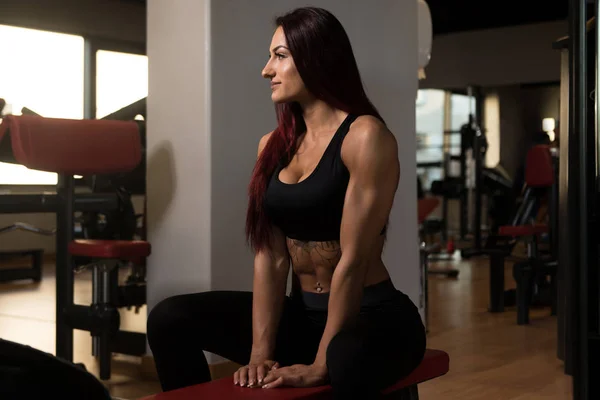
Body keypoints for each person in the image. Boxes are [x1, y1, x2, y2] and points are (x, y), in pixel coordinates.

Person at [146, 6, 426, 399]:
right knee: (169, 318)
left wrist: (320, 365)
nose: (266, 69)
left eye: (280, 56)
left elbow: (353, 261)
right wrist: (261, 352)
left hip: (373, 317)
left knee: (342, 358)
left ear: (316, 57)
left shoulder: (364, 136)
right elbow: (270, 257)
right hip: (303, 315)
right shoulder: (272, 147)